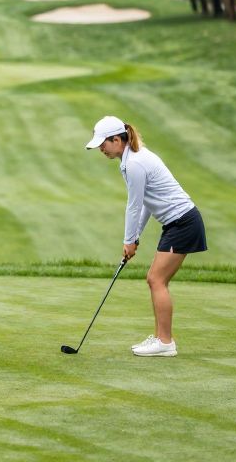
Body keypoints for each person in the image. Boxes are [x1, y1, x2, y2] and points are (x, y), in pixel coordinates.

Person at [86, 116, 207, 357]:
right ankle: (162, 339)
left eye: (104, 143)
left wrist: (128, 240)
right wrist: (135, 237)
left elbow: (133, 205)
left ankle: (165, 342)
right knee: (155, 279)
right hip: (177, 223)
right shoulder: (134, 157)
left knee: (156, 279)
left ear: (117, 139)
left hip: (183, 223)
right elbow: (147, 205)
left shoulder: (135, 164)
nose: (101, 148)